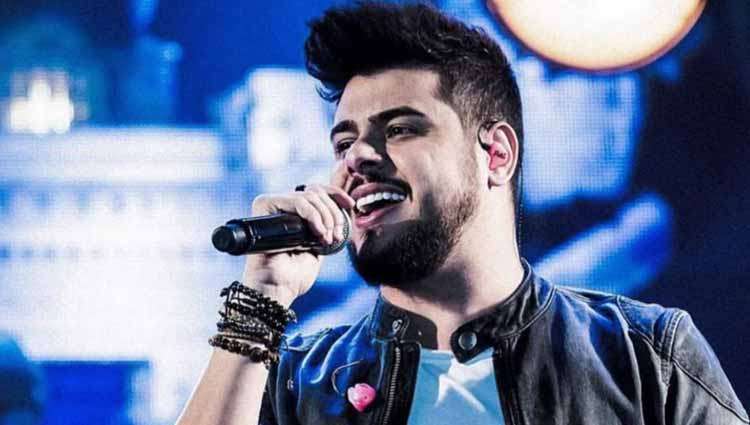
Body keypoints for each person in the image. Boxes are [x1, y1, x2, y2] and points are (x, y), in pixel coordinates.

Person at [176, 2, 747, 424]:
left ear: (496, 154)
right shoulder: (299, 382)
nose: (358, 157)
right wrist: (261, 301)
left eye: (400, 129)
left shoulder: (645, 357)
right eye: (343, 142)